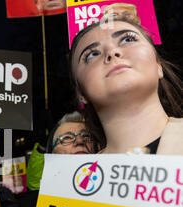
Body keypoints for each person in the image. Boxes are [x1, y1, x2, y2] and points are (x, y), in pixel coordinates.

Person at [69, 17, 183, 155]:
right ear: (81, 93)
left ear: (158, 66)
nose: (111, 52)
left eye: (128, 39)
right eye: (92, 55)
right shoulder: (77, 175)